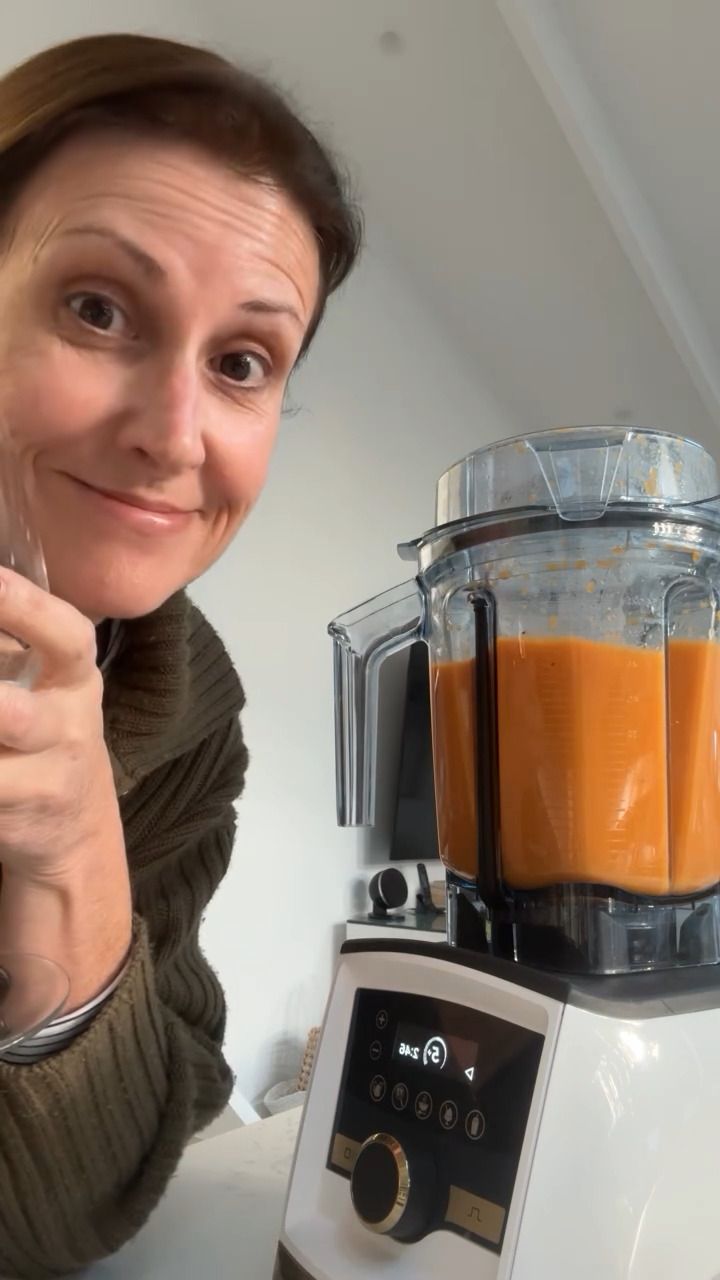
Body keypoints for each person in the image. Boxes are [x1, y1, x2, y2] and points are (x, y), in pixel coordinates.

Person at [0, 31, 361, 1278]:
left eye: (241, 363)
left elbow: (75, 1212)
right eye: (97, 308)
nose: (173, 434)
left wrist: (75, 853)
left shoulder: (190, 714)